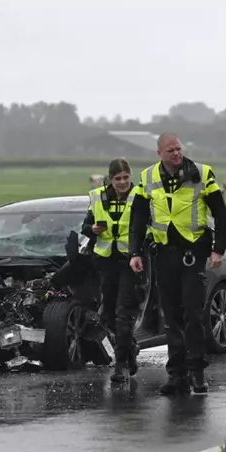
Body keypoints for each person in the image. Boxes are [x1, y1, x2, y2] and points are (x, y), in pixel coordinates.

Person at [128, 133, 226, 395]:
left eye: (179, 149)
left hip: (193, 253)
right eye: (170, 150)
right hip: (163, 254)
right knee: (171, 317)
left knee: (193, 314)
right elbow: (138, 217)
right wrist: (135, 252)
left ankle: (197, 372)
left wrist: (217, 250)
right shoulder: (148, 177)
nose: (176, 154)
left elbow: (222, 216)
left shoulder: (201, 173)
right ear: (159, 153)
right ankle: (176, 375)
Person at [81, 158, 142, 383]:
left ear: (131, 176)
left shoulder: (140, 196)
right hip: (106, 263)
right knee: (107, 317)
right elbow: (85, 227)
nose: (123, 182)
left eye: (126, 177)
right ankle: (131, 349)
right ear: (110, 179)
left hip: (132, 263)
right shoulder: (98, 197)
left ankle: (121, 365)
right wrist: (93, 229)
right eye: (118, 179)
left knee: (123, 315)